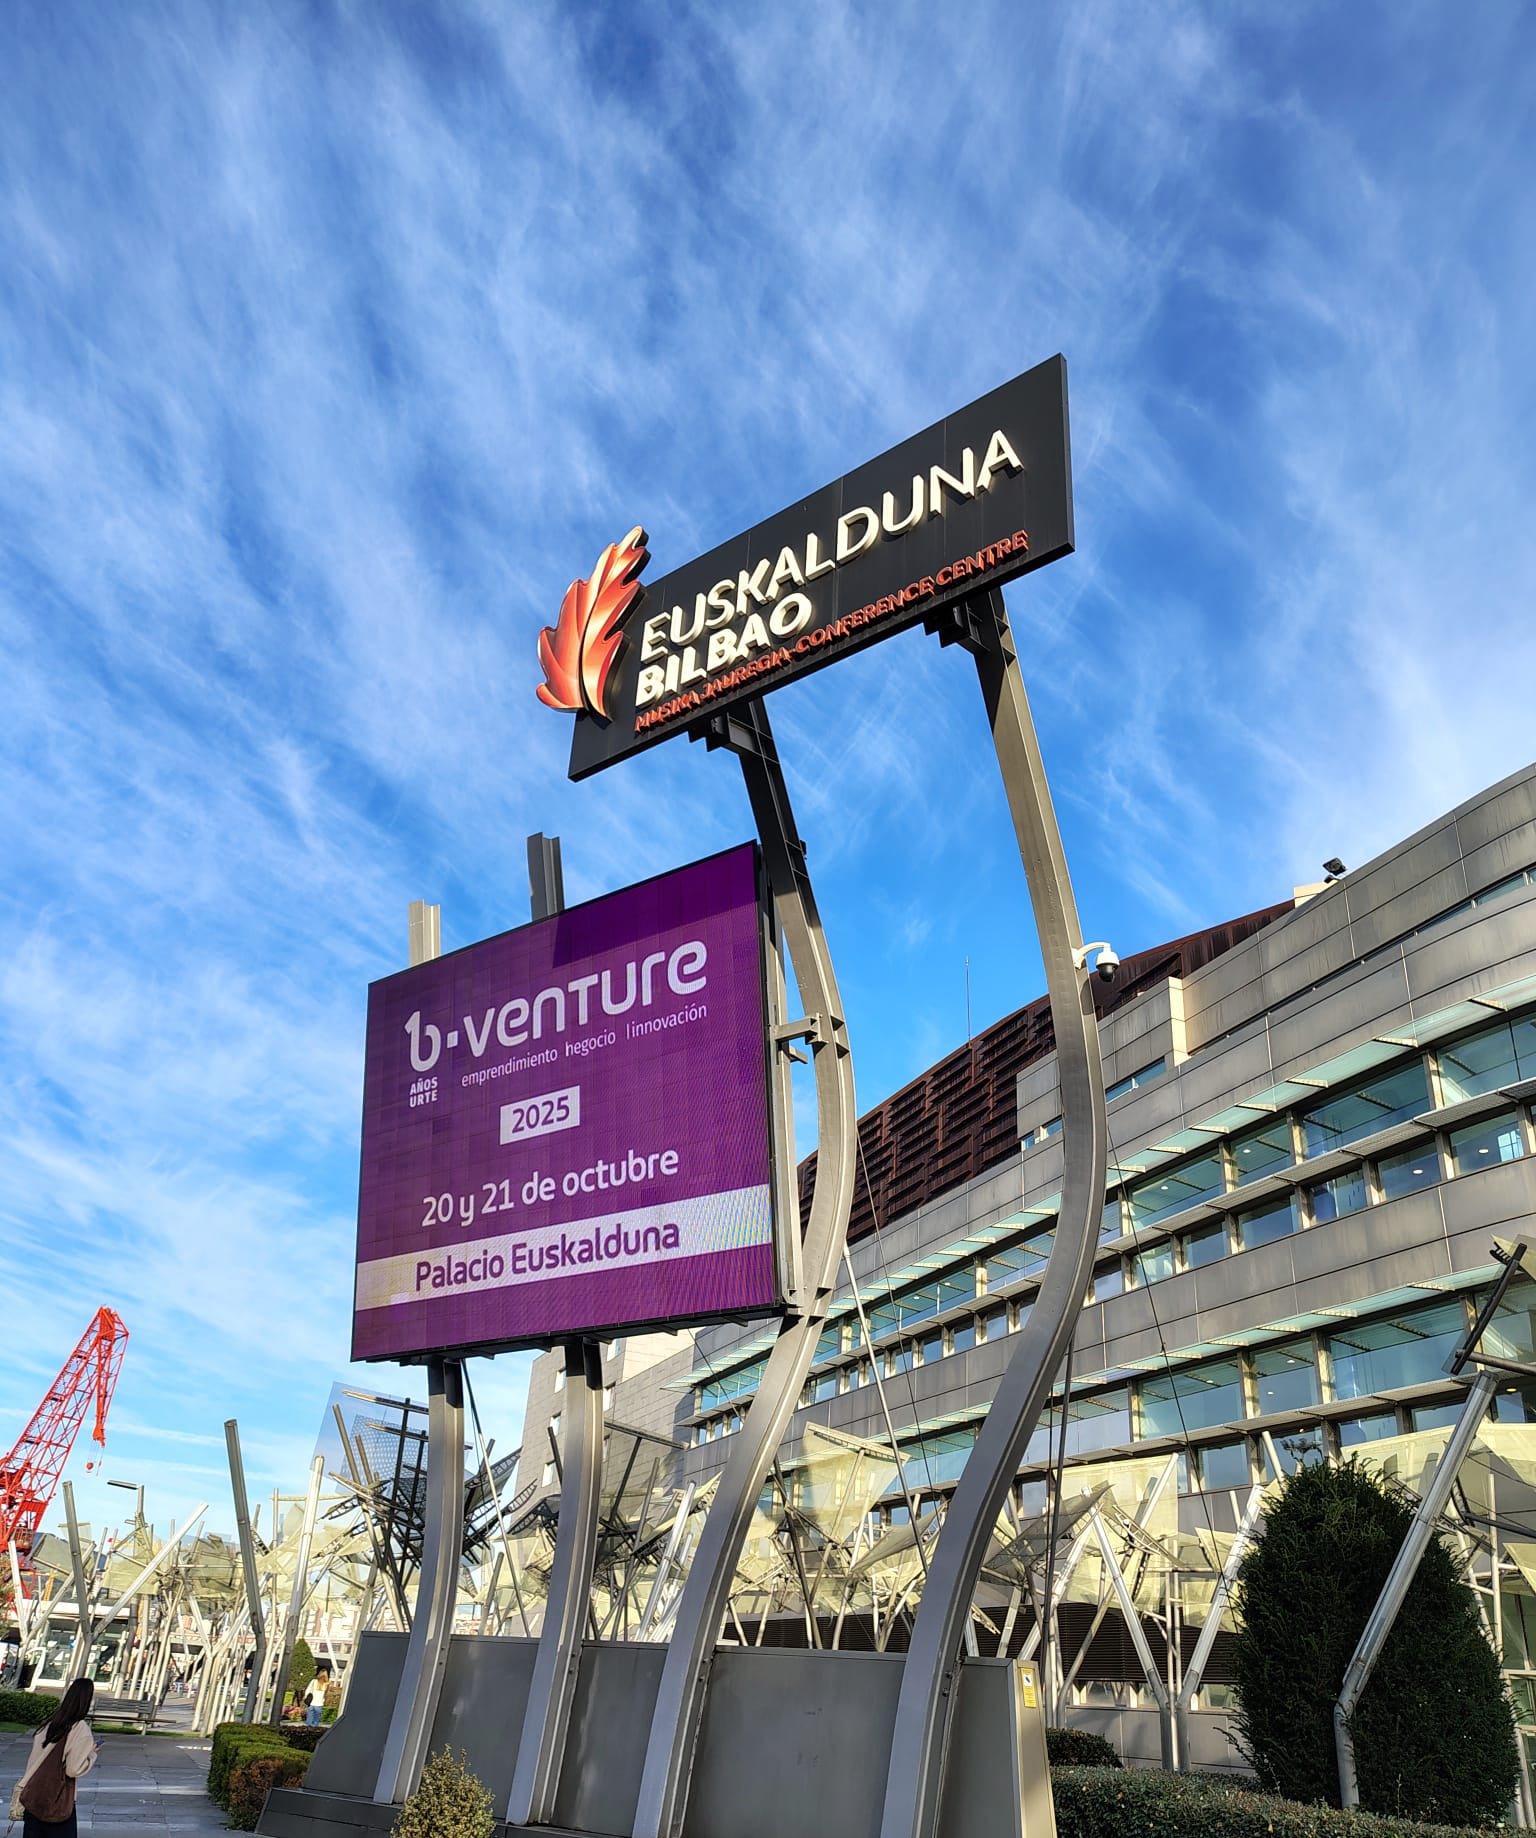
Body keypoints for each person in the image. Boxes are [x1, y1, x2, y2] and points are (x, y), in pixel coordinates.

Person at [11, 1676, 98, 1838]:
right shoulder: (80, 1728)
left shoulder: (51, 1722)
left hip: (34, 1796)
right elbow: (73, 1769)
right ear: (87, 1700)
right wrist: (91, 1755)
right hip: (57, 1801)